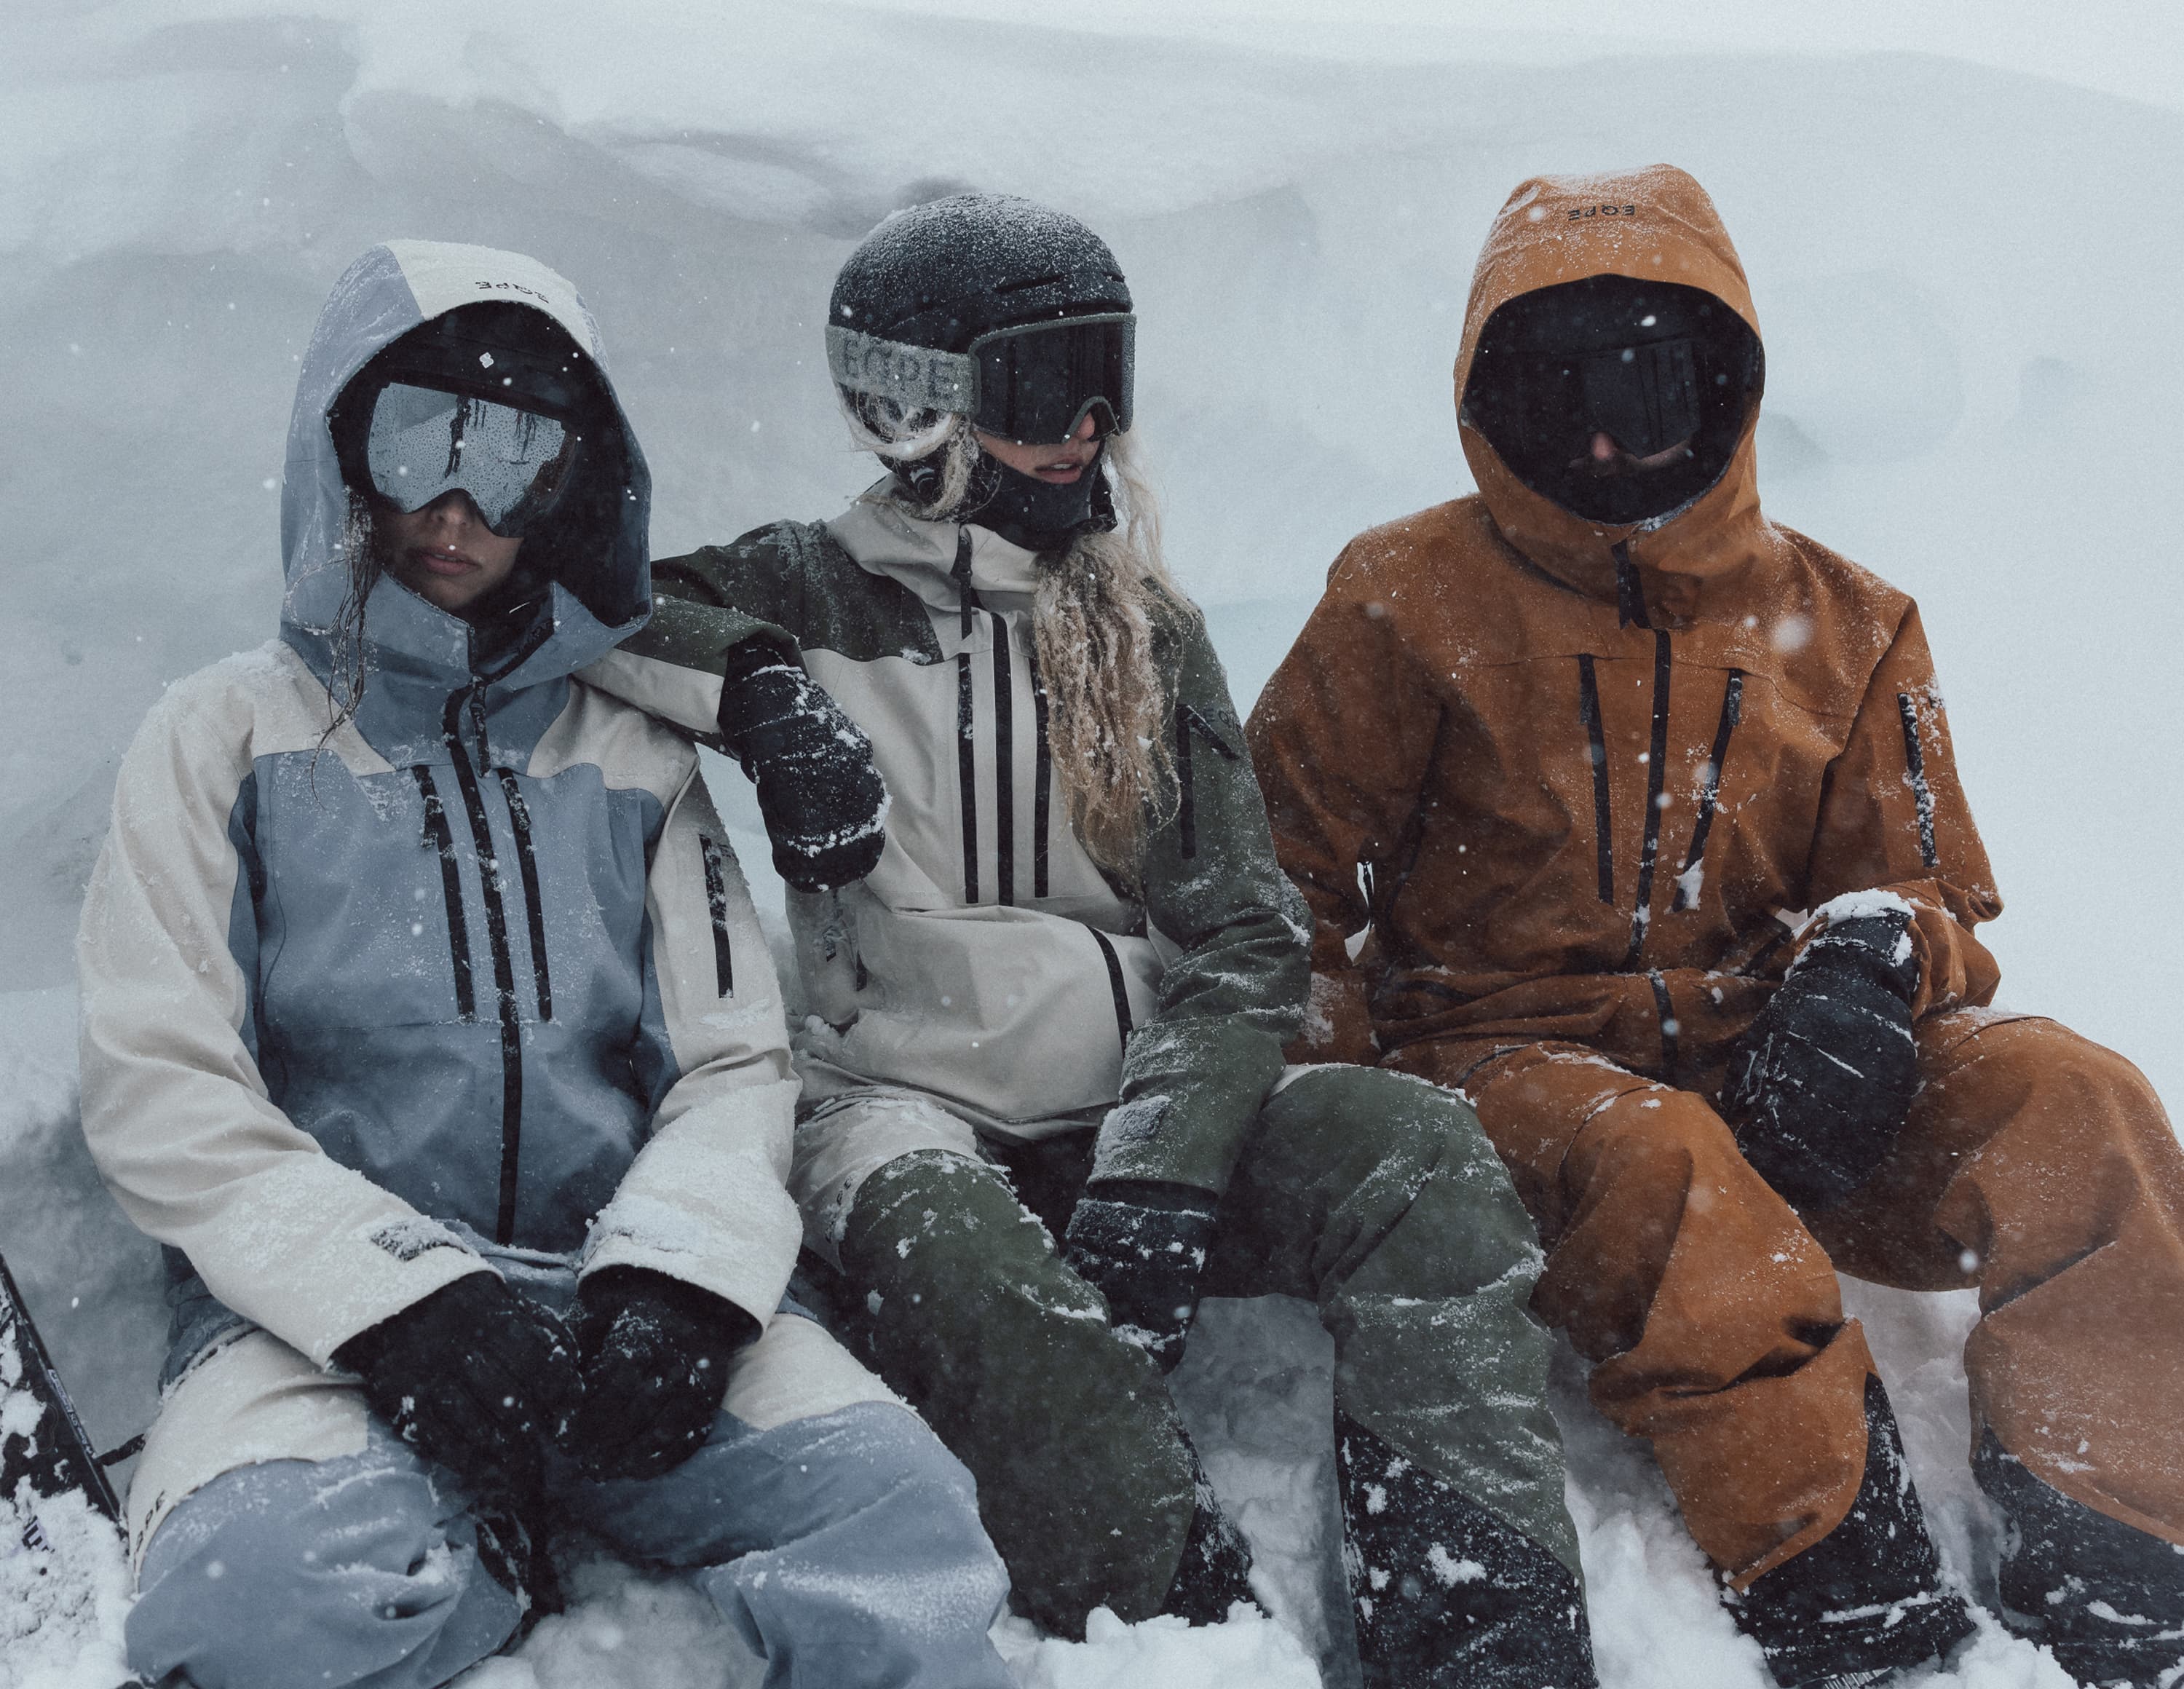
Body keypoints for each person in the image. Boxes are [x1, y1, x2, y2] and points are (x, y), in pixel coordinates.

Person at [577, 192, 1598, 1689]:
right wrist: (760, 693)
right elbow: (598, 614)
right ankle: (1191, 1637)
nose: (1088, 430)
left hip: (1131, 1102)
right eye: (1044, 389)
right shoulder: (807, 592)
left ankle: (1487, 1634)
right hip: (899, 1106)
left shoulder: (1141, 627)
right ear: (911, 412)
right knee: (984, 1279)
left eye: (1107, 377)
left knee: (1420, 1157)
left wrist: (1167, 1159)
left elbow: (1248, 928)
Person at [1246, 162, 2184, 1689]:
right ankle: (1843, 1578)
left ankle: (2125, 1542)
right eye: (1563, 396)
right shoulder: (1404, 601)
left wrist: (1877, 961)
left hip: (1788, 1075)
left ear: (1728, 382)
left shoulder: (1849, 617)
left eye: (1653, 385)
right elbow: (1276, 878)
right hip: (1513, 1069)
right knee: (1664, 1163)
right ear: (1495, 401)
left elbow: (1937, 890)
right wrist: (1353, 1088)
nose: (1611, 436)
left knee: (2087, 1103)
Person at [74, 239, 1013, 1689]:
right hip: (318, 1316)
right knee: (244, 1607)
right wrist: (400, 1303)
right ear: (344, 454)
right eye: (415, 441)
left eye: (511, 456)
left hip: (613, 1292)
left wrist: (681, 1289)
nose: (456, 506)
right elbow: (163, 1085)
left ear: (571, 484)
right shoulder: (220, 741)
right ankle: (488, 1555)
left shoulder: (627, 753)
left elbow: (729, 1063)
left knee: (908, 1539)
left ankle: (560, 1474)